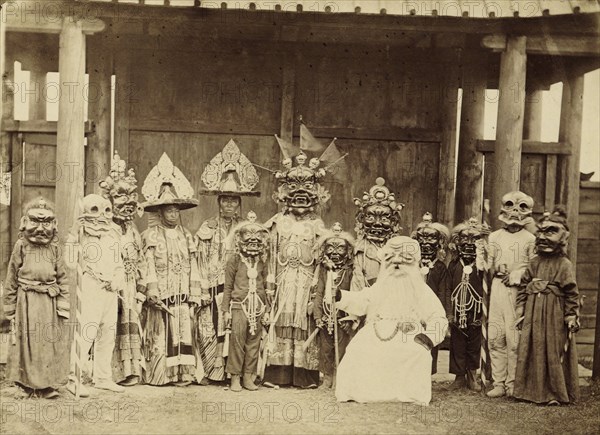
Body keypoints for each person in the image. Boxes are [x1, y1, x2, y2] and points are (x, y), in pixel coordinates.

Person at [334, 236, 448, 404]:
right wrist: (340, 296)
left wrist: (429, 337)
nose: (396, 263)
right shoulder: (379, 287)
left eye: (403, 260)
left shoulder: (421, 290)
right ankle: (361, 392)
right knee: (357, 350)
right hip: (376, 331)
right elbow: (361, 301)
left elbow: (438, 317)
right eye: (391, 259)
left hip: (408, 334)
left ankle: (408, 394)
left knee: (416, 352)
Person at [195, 139, 261, 384]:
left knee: (237, 331)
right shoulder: (207, 228)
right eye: (225, 199)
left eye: (234, 200)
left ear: (240, 203)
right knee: (211, 328)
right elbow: (199, 259)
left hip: (238, 290)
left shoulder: (247, 230)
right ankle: (214, 372)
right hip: (212, 287)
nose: (230, 204)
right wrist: (201, 286)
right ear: (219, 201)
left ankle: (237, 373)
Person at [262, 151, 328, 388]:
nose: (300, 199)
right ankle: (277, 373)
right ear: (284, 195)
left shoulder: (317, 225)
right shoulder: (277, 222)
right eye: (294, 194)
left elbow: (322, 259)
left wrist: (316, 288)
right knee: (281, 321)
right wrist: (270, 285)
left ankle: (304, 374)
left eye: (306, 195)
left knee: (304, 321)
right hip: (283, 279)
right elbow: (268, 255)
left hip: (307, 280)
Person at [140, 152, 202, 386]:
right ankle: (160, 375)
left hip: (183, 294)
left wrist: (195, 292)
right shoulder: (151, 236)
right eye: (168, 211)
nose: (173, 215)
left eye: (176, 210)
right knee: (162, 335)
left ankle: (184, 373)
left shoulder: (187, 236)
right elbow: (148, 265)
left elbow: (193, 265)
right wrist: (152, 291)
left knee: (184, 332)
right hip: (162, 296)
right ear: (160, 212)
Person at [3, 198, 70, 399]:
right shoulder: (21, 245)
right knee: (26, 343)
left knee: (46, 342)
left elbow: (63, 277)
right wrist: (9, 306)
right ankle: (25, 384)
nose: (40, 228)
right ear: (25, 222)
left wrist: (63, 304)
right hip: (26, 301)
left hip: (48, 303)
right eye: (35, 222)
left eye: (46, 223)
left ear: (53, 224)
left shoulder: (55, 248)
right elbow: (11, 277)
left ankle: (46, 385)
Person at [514, 207, 580, 405]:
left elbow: (571, 292)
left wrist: (571, 315)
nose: (543, 237)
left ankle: (554, 393)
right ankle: (529, 391)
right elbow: (524, 286)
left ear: (562, 237)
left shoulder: (564, 264)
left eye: (550, 232)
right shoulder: (534, 263)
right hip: (533, 314)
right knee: (532, 350)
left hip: (554, 314)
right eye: (540, 232)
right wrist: (521, 309)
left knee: (553, 351)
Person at [66, 194, 127, 397]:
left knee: (107, 334)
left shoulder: (114, 234)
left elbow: (120, 263)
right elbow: (69, 260)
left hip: (111, 289)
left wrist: (117, 280)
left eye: (106, 210)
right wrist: (75, 233)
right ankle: (73, 379)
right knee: (87, 332)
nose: (102, 216)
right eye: (95, 210)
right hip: (91, 287)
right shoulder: (81, 234)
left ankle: (102, 378)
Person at [99, 153, 148, 387]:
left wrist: (141, 288)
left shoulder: (133, 230)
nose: (127, 203)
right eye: (121, 197)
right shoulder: (102, 230)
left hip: (129, 286)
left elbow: (141, 261)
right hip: (108, 286)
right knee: (108, 326)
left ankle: (130, 371)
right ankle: (106, 373)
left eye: (131, 197)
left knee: (130, 323)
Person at [487, 191, 536, 398]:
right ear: (503, 209)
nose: (515, 212)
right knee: (495, 335)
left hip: (518, 291)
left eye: (521, 207)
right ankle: (498, 382)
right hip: (497, 288)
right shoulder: (494, 236)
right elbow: (488, 266)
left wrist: (517, 275)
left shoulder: (531, 239)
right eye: (510, 206)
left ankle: (513, 383)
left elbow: (534, 267)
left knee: (514, 337)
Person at [222, 212, 270, 392]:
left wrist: (267, 310)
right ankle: (235, 378)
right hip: (238, 306)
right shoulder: (234, 260)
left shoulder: (263, 262)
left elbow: (266, 287)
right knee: (237, 341)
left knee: (254, 343)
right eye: (249, 242)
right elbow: (227, 288)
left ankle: (248, 377)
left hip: (258, 307)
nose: (253, 245)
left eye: (257, 242)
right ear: (240, 242)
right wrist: (225, 310)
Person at [447, 218, 489, 391]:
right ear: (457, 242)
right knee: (457, 342)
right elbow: (449, 287)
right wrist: (449, 311)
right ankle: (458, 376)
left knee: (474, 342)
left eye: (474, 240)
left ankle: (472, 375)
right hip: (458, 309)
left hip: (476, 309)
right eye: (465, 240)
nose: (470, 244)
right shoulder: (454, 265)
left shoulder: (482, 267)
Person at [313, 223, 355, 388]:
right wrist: (317, 316)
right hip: (326, 316)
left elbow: (353, 294)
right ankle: (328, 377)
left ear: (348, 252)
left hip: (342, 317)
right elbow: (318, 293)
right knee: (326, 348)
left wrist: (349, 317)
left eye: (340, 249)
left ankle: (340, 377)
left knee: (342, 348)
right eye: (331, 248)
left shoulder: (350, 271)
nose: (335, 253)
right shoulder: (323, 271)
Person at [411, 212, 450, 374]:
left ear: (439, 243)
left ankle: (428, 373)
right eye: (422, 240)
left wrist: (442, 313)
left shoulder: (440, 267)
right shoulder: (412, 265)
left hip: (432, 310)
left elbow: (443, 291)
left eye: (430, 239)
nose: (426, 243)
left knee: (430, 337)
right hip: (413, 309)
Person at [351, 177, 404, 294]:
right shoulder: (359, 248)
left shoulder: (397, 249)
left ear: (394, 222)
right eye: (370, 218)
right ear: (361, 219)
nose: (377, 223)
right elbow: (357, 280)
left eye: (384, 218)